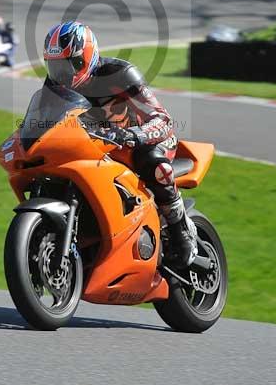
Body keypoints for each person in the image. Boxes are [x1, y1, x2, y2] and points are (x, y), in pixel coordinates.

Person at [42, 20, 197, 267]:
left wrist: (134, 135)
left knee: (152, 163)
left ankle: (181, 235)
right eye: (56, 67)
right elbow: (46, 120)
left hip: (145, 139)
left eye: (72, 64)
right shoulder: (55, 85)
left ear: (88, 56)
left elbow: (162, 120)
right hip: (101, 146)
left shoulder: (120, 75)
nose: (65, 74)